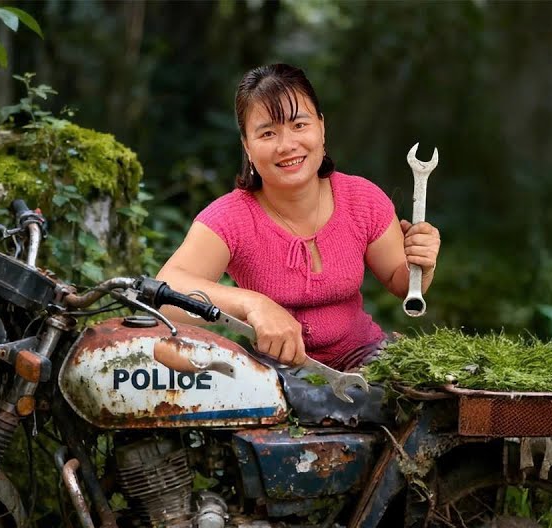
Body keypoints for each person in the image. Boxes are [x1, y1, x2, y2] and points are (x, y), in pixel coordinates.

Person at [156, 63, 441, 371]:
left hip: (366, 361)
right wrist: (253, 304)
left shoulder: (363, 199)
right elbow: (167, 293)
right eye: (267, 133)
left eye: (299, 125)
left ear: (321, 127)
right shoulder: (230, 218)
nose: (287, 145)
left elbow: (402, 284)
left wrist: (421, 265)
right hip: (274, 372)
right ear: (247, 147)